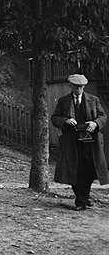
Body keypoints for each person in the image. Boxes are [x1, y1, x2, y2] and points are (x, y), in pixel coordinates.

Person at [51, 74, 108, 210]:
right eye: (76, 87)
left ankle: (84, 197)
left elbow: (103, 117)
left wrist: (95, 123)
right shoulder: (63, 101)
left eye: (81, 87)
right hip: (72, 142)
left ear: (84, 87)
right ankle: (81, 200)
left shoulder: (93, 100)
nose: (79, 90)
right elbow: (54, 118)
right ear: (70, 86)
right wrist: (65, 120)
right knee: (74, 170)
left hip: (90, 142)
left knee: (88, 170)